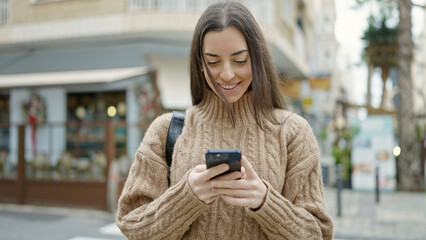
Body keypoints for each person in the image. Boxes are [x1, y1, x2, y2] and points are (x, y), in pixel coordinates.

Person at [116, 2, 333, 239]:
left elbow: (318, 234)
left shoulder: (293, 132)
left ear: (258, 58)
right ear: (200, 63)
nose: (227, 74)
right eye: (213, 62)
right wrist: (186, 197)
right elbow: (132, 225)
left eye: (240, 60)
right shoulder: (165, 130)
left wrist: (264, 201)